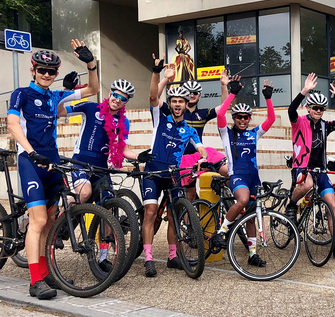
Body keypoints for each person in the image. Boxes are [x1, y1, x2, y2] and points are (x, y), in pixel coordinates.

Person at [8, 41, 100, 299]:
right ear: (33, 70)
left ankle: (46, 273)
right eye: (42, 70)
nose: (47, 74)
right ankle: (35, 281)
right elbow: (12, 123)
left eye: (51, 71)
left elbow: (93, 89)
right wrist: (29, 150)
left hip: (52, 163)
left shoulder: (56, 96)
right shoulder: (22, 94)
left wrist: (90, 63)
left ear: (56, 73)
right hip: (30, 162)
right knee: (38, 221)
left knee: (50, 221)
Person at [58, 78, 141, 272]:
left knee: (109, 209)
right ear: (110, 93)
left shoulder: (123, 121)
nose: (118, 99)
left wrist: (142, 157)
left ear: (126, 102)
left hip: (101, 168)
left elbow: (124, 150)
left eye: (123, 98)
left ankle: (103, 257)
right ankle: (63, 224)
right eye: (116, 95)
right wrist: (66, 91)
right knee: (84, 193)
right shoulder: (90, 108)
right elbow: (60, 111)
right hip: (80, 161)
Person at [140, 62, 208, 277]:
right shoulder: (161, 117)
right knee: (150, 212)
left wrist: (203, 159)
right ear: (169, 103)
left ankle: (172, 257)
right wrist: (159, 75)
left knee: (174, 214)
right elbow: (152, 97)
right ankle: (149, 258)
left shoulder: (189, 129)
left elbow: (201, 148)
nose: (177, 104)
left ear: (186, 104)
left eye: (181, 101)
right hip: (152, 172)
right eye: (174, 101)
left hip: (173, 175)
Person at [209, 79, 276, 267]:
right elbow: (221, 113)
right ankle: (222, 231)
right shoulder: (226, 133)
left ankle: (252, 254)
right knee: (243, 200)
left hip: (254, 176)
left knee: (252, 216)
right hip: (237, 175)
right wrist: (232, 93)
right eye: (239, 117)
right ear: (234, 118)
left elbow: (271, 120)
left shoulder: (254, 133)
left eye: (246, 117)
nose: (242, 120)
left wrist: (268, 98)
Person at [287, 73, 335, 260]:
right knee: (306, 186)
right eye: (315, 108)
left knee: (332, 205)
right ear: (308, 107)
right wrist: (304, 91)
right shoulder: (299, 122)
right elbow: (291, 110)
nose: (319, 111)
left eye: (322, 109)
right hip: (302, 167)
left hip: (320, 170)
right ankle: (291, 205)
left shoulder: (326, 125)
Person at [174, 67, 231, 200]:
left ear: (199, 95)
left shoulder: (203, 113)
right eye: (189, 92)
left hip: (196, 158)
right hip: (179, 158)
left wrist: (224, 86)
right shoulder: (177, 112)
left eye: (195, 92)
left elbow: (223, 108)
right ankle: (182, 218)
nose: (192, 95)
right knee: (186, 195)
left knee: (192, 193)